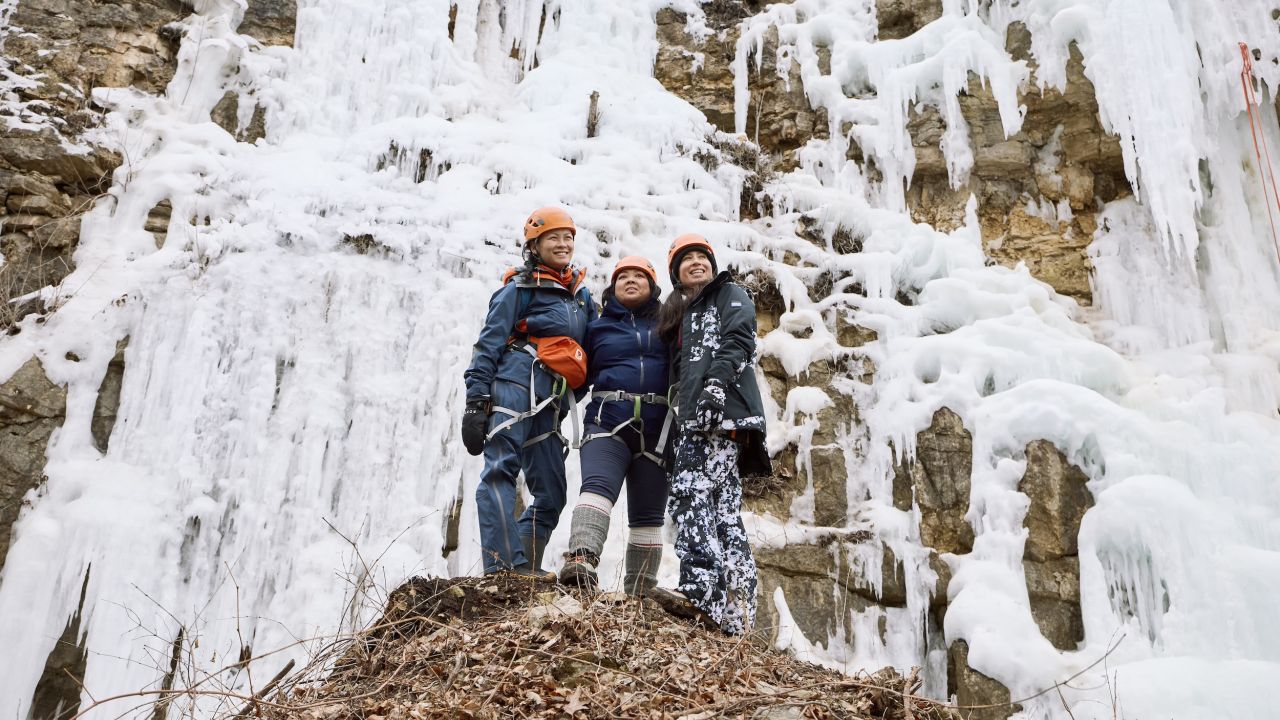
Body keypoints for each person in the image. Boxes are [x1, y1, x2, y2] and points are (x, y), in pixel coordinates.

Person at [461, 206, 596, 580]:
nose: (563, 243)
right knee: (500, 470)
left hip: (551, 403)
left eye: (568, 237)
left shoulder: (582, 300)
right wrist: (476, 402)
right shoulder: (517, 289)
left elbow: (597, 353)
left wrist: (571, 400)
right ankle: (504, 570)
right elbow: (487, 345)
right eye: (554, 237)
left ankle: (523, 571)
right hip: (513, 385)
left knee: (552, 493)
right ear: (534, 245)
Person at [649, 233, 771, 635]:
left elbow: (739, 339)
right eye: (687, 260)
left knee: (690, 495)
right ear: (676, 273)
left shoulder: (728, 293)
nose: (697, 262)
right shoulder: (685, 312)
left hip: (718, 417)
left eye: (703, 256)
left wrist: (715, 387)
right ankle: (736, 612)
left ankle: (702, 593)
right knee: (722, 509)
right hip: (708, 420)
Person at [559, 256, 671, 595]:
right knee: (597, 486)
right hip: (607, 420)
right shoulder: (596, 327)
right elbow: (577, 373)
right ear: (613, 287)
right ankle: (581, 560)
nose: (631, 280)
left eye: (640, 276)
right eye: (624, 277)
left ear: (653, 287)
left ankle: (642, 590)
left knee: (649, 514)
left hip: (659, 428)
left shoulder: (670, 324)